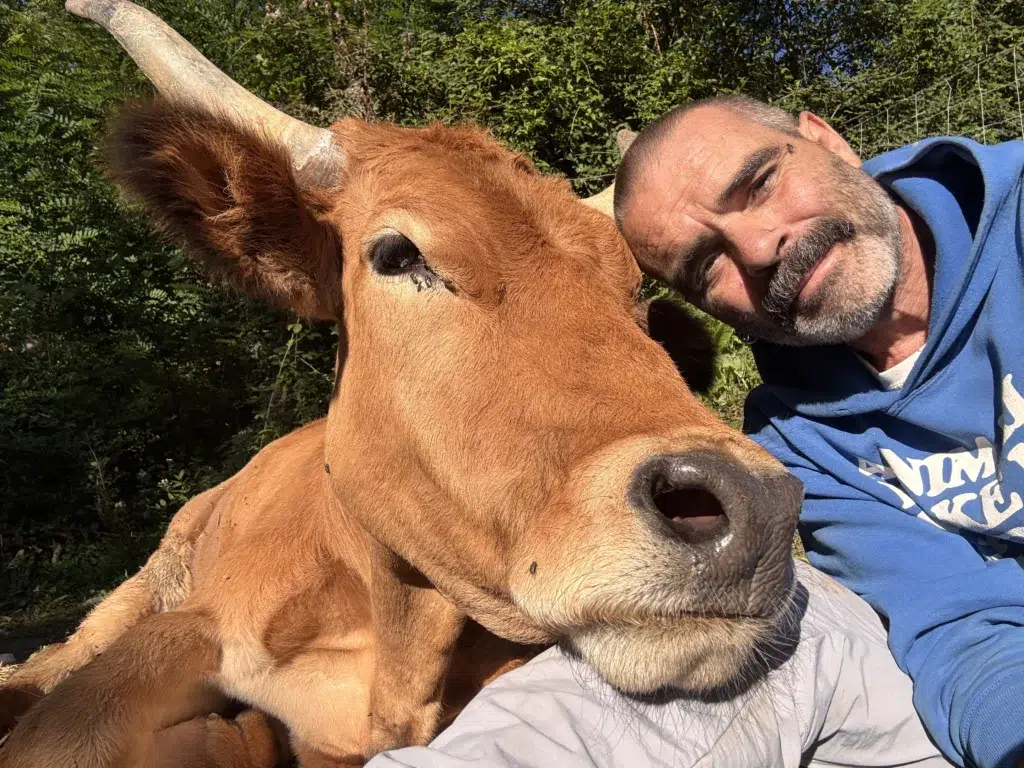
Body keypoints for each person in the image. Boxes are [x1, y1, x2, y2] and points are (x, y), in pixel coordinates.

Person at [369, 93, 1024, 768]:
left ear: (827, 140)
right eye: (707, 263)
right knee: (754, 650)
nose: (761, 246)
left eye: (760, 183)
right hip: (985, 688)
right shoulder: (792, 437)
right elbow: (957, 622)